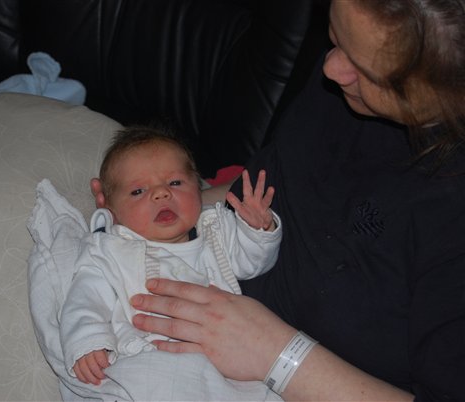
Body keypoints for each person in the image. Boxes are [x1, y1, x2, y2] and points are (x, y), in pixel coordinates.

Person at [91, 0, 465, 400]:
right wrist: (146, 204)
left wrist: (278, 356)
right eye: (335, 38)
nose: (331, 69)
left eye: (368, 71)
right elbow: (273, 181)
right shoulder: (348, 76)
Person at [62, 126, 282, 392]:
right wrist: (88, 341)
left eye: (175, 183)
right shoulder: (111, 251)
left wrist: (258, 230)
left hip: (226, 365)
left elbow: (253, 263)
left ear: (198, 188)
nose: (161, 193)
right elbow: (85, 298)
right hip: (150, 362)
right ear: (111, 209)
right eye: (138, 191)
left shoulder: (216, 230)